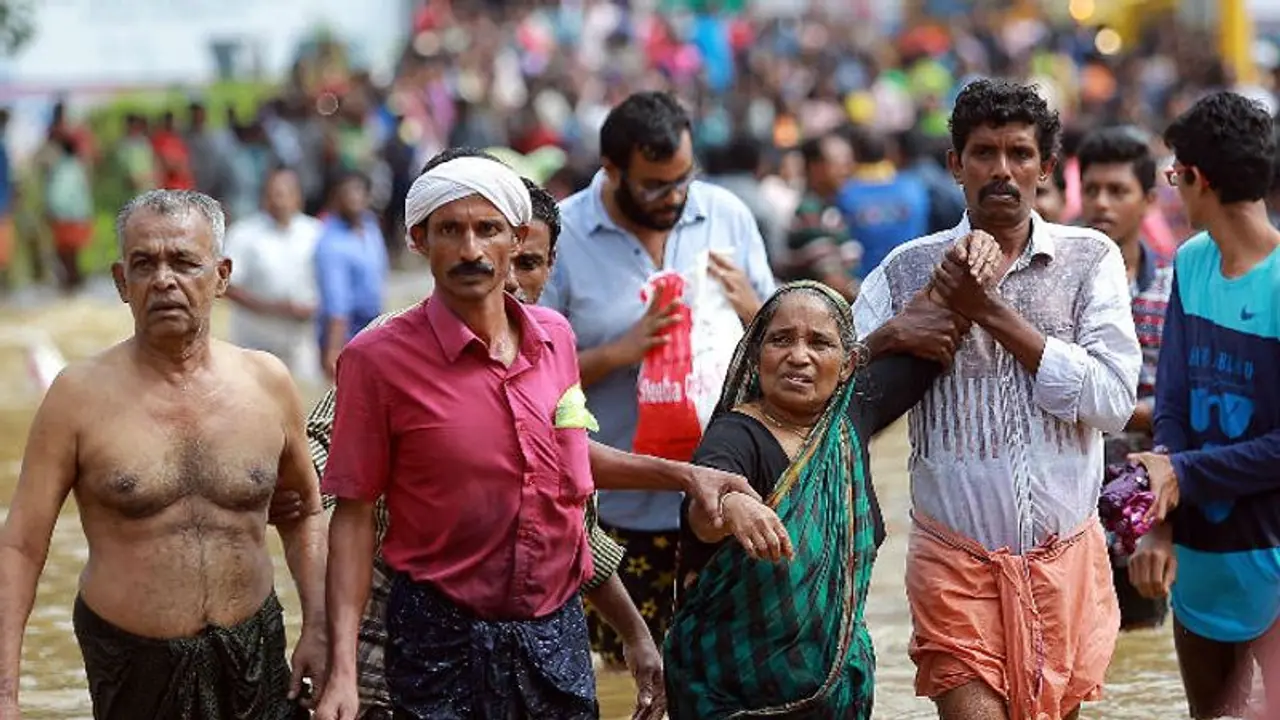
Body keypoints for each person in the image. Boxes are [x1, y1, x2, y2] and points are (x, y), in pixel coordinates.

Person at [313, 152, 757, 720]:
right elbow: (349, 513)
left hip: (556, 635)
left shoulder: (555, 337)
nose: (471, 250)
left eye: (488, 230)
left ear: (518, 240)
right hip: (438, 638)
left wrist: (686, 475)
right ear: (419, 241)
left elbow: (564, 480)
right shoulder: (376, 358)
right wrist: (341, 670)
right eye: (450, 230)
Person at [852, 79, 1142, 720]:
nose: (1002, 170)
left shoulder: (1089, 260)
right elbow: (833, 388)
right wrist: (901, 329)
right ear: (956, 165)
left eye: (1019, 153)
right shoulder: (908, 269)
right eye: (984, 153)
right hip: (954, 563)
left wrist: (987, 311)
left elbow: (1115, 402)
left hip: (1068, 559)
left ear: (1044, 167)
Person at [0, 189, 329, 720]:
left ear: (221, 276)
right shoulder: (77, 396)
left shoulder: (267, 382)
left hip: (255, 648)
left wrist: (318, 627)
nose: (164, 280)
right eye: (144, 264)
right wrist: (5, 695)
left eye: (184, 262)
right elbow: (20, 546)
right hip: (133, 662)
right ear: (119, 282)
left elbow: (305, 513)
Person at [665, 258, 1001, 718]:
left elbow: (938, 331)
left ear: (847, 366)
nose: (798, 356)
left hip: (835, 691)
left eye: (819, 343)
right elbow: (707, 505)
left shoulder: (849, 420)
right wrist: (735, 505)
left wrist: (977, 250)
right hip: (729, 691)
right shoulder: (736, 435)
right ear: (755, 353)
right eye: (780, 340)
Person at [543, 91, 777, 670]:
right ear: (612, 171)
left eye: (683, 181)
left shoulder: (724, 214)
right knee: (619, 680)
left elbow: (784, 342)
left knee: (722, 677)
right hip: (609, 514)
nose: (674, 199)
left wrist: (756, 312)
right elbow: (526, 378)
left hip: (723, 502)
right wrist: (620, 351)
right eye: (654, 186)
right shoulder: (560, 237)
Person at [1128, 91, 1280, 720]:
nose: (1173, 192)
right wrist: (1159, 524)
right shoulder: (1190, 263)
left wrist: (1180, 476)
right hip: (1198, 559)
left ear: (1199, 179)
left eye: (1174, 177)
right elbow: (1172, 406)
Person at [1076, 125, 1174, 630]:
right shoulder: (1056, 286)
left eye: (1117, 191)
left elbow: (1186, 405)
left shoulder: (1174, 289)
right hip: (1068, 507)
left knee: (1141, 634)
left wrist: (1101, 403)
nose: (1101, 204)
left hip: (1144, 511)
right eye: (1091, 189)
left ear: (1148, 201)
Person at [223, 167, 323, 381]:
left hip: (300, 343)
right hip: (254, 342)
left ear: (298, 196)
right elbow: (226, 286)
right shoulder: (244, 234)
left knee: (302, 406)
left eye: (286, 193)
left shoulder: (316, 233)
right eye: (274, 193)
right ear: (264, 196)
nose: (279, 200)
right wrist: (272, 308)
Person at [314, 171, 388, 379]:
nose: (353, 197)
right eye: (347, 192)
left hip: (374, 329)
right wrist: (334, 349)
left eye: (359, 191)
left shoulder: (370, 226)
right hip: (346, 335)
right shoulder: (331, 242)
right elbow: (336, 302)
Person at [784, 132, 859, 298]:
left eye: (849, 161)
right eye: (838, 163)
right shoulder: (809, 214)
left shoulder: (830, 209)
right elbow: (833, 281)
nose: (847, 169)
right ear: (814, 167)